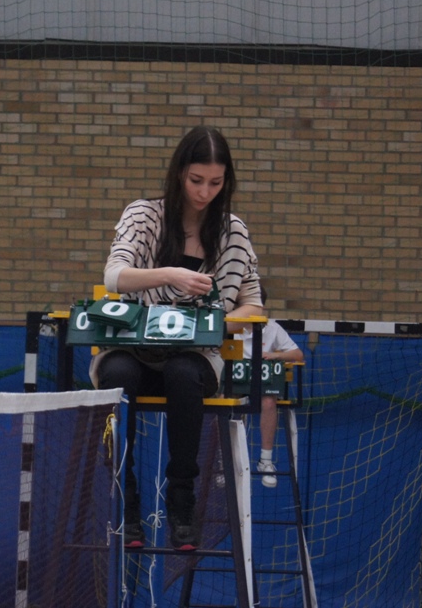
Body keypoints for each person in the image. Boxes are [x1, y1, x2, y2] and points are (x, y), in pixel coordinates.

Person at [90, 125, 262, 551]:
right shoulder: (144, 215)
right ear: (179, 173)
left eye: (216, 183)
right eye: (196, 180)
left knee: (185, 373)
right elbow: (114, 276)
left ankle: (182, 500)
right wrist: (170, 275)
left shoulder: (233, 232)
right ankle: (126, 502)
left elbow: (253, 307)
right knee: (116, 373)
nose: (204, 192)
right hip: (135, 349)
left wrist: (214, 326)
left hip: (195, 358)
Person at [237, 286, 305, 488]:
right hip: (237, 381)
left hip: (263, 383)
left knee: (268, 401)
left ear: (261, 307)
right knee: (225, 400)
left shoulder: (273, 328)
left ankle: (265, 460)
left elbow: (298, 355)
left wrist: (275, 355)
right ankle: (228, 458)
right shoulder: (230, 326)